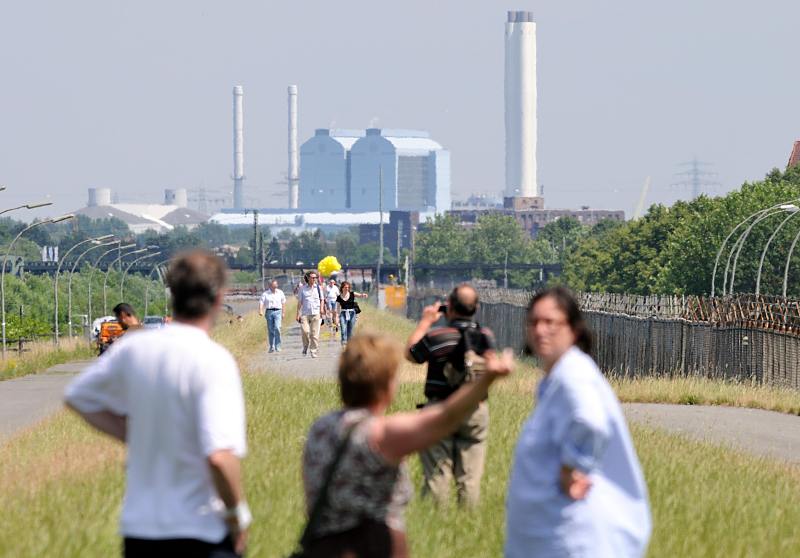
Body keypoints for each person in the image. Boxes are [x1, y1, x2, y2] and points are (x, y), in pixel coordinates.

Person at [64, 250, 250, 558]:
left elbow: (78, 396)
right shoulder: (214, 359)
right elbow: (219, 457)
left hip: (141, 531)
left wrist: (133, 432)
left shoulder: (135, 350)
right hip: (200, 530)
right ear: (218, 298)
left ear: (172, 294)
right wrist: (237, 514)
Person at [302, 332, 514, 557]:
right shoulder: (380, 434)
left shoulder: (320, 428)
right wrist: (487, 378)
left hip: (321, 547)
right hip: (370, 548)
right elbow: (447, 417)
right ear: (387, 385)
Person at [505, 287, 651, 558]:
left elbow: (590, 420)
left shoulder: (573, 373)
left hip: (573, 539)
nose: (540, 330)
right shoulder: (559, 376)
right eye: (534, 322)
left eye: (550, 322)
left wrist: (571, 468)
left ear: (573, 329)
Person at [405, 284, 496, 506]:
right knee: (470, 478)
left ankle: (439, 520)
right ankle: (468, 522)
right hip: (474, 409)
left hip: (440, 410)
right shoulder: (484, 336)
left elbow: (411, 354)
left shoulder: (437, 336)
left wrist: (426, 321)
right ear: (476, 308)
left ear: (450, 307)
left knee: (437, 474)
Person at [296, 270, 327, 358]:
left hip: (316, 313)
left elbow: (322, 299)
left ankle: (313, 350)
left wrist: (321, 309)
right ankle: (305, 346)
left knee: (314, 334)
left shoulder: (318, 288)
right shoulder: (302, 288)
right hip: (305, 314)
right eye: (313, 277)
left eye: (315, 278)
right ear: (308, 278)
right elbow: (300, 302)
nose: (314, 279)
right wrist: (297, 314)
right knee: (305, 331)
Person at [335, 281, 368, 346]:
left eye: (348, 287)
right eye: (345, 287)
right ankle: (343, 344)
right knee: (343, 329)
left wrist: (363, 295)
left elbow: (360, 295)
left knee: (350, 330)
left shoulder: (352, 294)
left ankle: (349, 345)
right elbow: (338, 309)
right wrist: (336, 318)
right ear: (342, 288)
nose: (347, 288)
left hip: (352, 314)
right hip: (343, 314)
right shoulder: (339, 297)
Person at [259, 279, 286, 353]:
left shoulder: (280, 292)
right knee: (271, 330)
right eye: (273, 286)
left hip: (278, 312)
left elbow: (283, 303)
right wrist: (260, 310)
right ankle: (272, 346)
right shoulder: (265, 294)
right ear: (270, 286)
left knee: (277, 328)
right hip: (269, 312)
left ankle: (278, 346)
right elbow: (261, 302)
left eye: (276, 285)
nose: (275, 287)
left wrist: (283, 313)